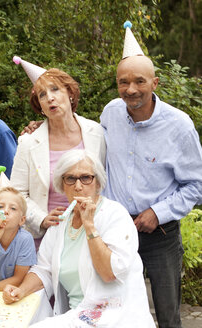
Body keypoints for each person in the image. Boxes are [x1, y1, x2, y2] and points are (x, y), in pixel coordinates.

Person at [101, 53, 202, 326]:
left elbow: (196, 184)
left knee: (168, 315)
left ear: (155, 83)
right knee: (115, 312)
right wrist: (44, 126)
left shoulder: (179, 126)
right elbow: (84, 140)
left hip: (161, 235)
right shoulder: (110, 113)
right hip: (116, 232)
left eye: (139, 81)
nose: (131, 89)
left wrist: (158, 212)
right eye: (123, 82)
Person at [3, 150, 155, 327]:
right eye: (70, 179)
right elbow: (44, 270)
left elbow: (110, 273)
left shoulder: (115, 215)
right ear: (62, 185)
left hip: (115, 315)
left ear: (97, 183)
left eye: (85, 178)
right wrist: (20, 290)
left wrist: (89, 225)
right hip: (79, 314)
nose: (78, 186)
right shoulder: (61, 223)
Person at [11, 67, 105, 250]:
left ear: (70, 93)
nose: (50, 98)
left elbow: (104, 182)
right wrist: (41, 219)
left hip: (90, 233)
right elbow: (17, 193)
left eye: (55, 89)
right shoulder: (29, 143)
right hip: (47, 240)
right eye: (42, 95)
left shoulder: (97, 133)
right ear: (40, 106)